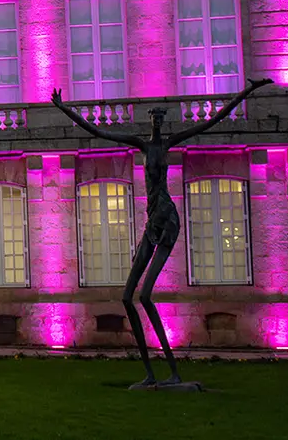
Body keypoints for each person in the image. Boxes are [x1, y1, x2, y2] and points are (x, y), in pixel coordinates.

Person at [50, 77, 272, 386]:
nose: (155, 124)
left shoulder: (168, 144)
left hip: (167, 220)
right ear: (149, 122)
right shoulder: (140, 145)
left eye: (158, 120)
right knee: (128, 297)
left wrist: (247, 92)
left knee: (144, 295)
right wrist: (64, 109)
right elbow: (98, 131)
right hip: (151, 220)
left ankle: (173, 373)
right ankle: (151, 375)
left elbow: (210, 122)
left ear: (162, 123)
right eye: (152, 119)